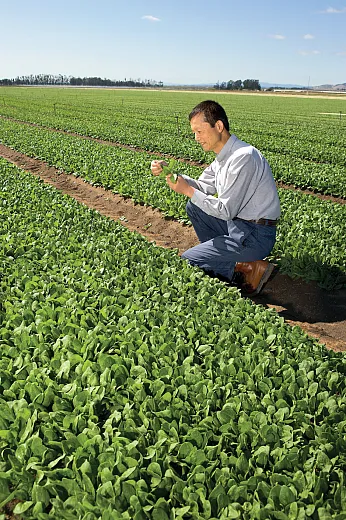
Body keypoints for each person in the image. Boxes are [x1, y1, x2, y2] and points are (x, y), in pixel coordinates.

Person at [151, 100, 280, 295]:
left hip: (255, 235)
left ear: (218, 126)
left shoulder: (243, 157)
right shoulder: (223, 157)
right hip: (240, 227)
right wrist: (173, 175)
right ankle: (234, 266)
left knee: (189, 260)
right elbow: (202, 186)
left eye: (199, 131)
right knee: (194, 207)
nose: (196, 138)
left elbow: (226, 210)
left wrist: (188, 190)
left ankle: (240, 269)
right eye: (194, 132)